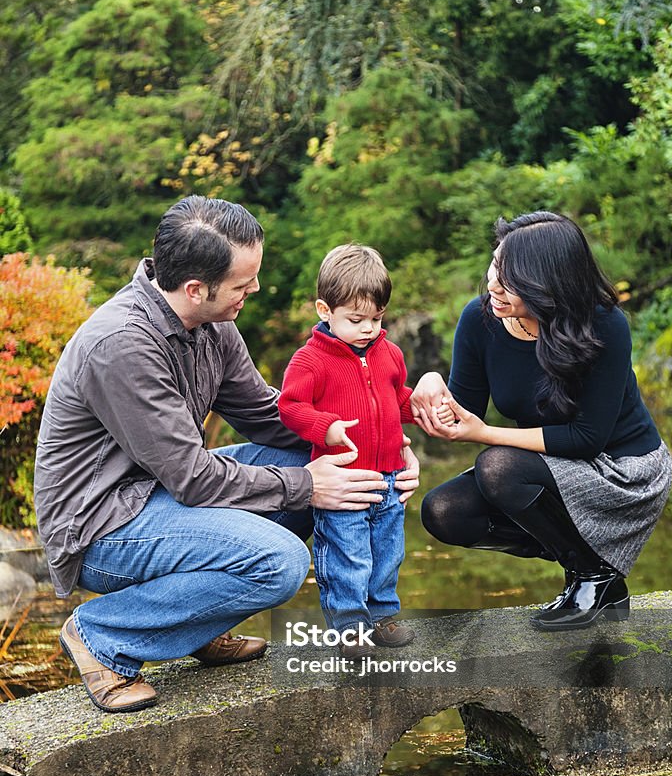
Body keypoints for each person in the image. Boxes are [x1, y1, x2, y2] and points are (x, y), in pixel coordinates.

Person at [33, 197, 419, 713]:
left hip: (159, 493)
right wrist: (308, 485)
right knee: (280, 561)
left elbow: (265, 414)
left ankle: (195, 629)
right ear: (197, 288)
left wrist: (381, 452)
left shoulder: (212, 323)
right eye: (243, 283)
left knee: (342, 476)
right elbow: (194, 477)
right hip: (101, 525)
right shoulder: (123, 345)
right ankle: (102, 635)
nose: (254, 290)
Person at [412, 210, 672, 630]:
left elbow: (586, 438)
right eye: (495, 267)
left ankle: (594, 578)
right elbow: (464, 411)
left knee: (496, 465)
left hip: (623, 471)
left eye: (510, 279)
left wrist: (483, 435)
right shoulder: (480, 320)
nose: (494, 285)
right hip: (550, 466)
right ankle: (588, 564)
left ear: (547, 281)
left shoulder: (603, 323)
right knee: (444, 511)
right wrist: (429, 382)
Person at [278, 245, 441, 649]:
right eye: (356, 319)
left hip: (389, 476)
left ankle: (383, 615)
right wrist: (326, 427)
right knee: (347, 554)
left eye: (376, 317)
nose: (368, 328)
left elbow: (394, 397)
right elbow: (290, 406)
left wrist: (419, 407)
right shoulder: (310, 360)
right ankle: (349, 626)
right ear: (324, 309)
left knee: (388, 552)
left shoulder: (389, 353)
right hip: (344, 480)